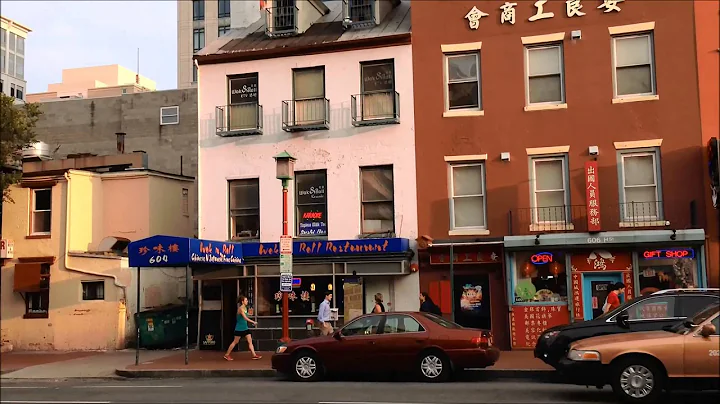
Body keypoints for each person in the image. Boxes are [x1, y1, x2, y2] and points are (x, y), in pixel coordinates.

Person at [224, 295, 261, 361]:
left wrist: (250, 314)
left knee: (250, 341)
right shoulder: (240, 308)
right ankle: (227, 355)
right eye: (246, 300)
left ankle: (254, 355)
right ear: (242, 301)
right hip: (239, 328)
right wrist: (253, 322)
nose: (247, 301)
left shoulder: (245, 308)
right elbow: (245, 317)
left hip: (245, 328)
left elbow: (246, 315)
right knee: (235, 342)